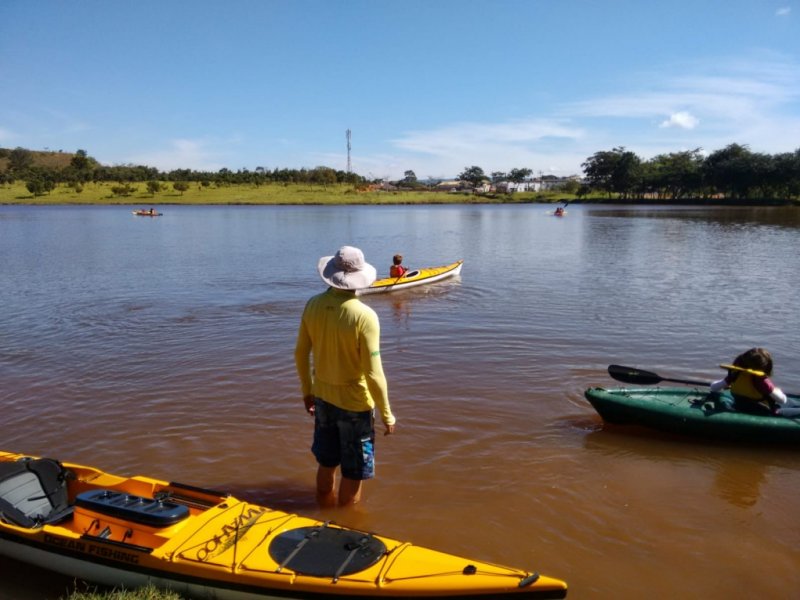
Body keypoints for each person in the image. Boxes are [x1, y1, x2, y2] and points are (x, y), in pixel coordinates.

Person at [294, 245, 397, 507]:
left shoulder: (313, 304)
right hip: (355, 406)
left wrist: (307, 392)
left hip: (323, 399)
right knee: (353, 473)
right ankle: (344, 527)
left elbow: (300, 353)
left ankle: (324, 512)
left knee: (326, 463)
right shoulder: (365, 316)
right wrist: (386, 414)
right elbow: (374, 373)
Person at [710, 347, 788, 414]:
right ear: (766, 367)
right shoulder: (762, 381)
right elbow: (782, 400)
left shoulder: (735, 374)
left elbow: (713, 387)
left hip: (741, 406)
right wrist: (777, 391)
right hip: (763, 411)